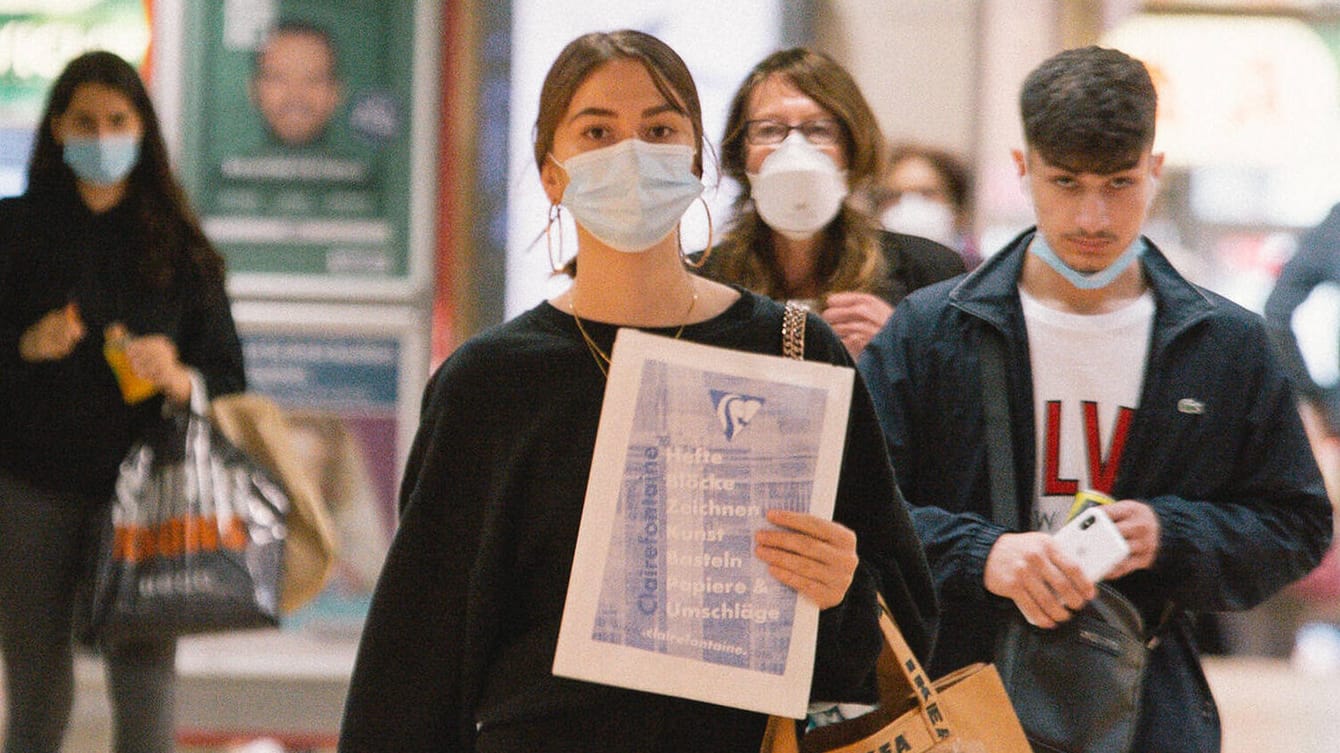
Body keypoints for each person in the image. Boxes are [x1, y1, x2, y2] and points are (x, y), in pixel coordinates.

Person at [338, 30, 936, 753]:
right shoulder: (488, 383)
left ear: (695, 161)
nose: (630, 154)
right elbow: (416, 655)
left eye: (658, 129)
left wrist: (841, 587)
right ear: (552, 172)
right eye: (597, 130)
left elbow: (903, 621)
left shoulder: (794, 352)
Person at [858, 45, 1332, 752]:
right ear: (1024, 171)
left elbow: (1295, 526)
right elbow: (859, 509)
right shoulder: (932, 330)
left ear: (1155, 171)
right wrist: (986, 554)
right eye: (1065, 181)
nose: (1091, 215)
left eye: (1118, 182)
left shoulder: (1227, 342)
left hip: (1146, 704)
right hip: (962, 703)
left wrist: (1170, 532)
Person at [0, 51, 245, 753]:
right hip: (30, 487)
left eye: (117, 120)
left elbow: (228, 374)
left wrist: (178, 375)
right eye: (85, 122)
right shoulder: (13, 231)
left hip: (147, 496)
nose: (102, 137)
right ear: (56, 129)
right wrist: (25, 344)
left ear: (143, 130)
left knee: (145, 692)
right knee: (35, 692)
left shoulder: (179, 245)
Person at [696, 48, 963, 358]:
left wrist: (901, 347)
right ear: (739, 153)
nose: (794, 149)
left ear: (852, 149)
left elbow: (961, 400)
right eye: (769, 130)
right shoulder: (702, 283)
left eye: (819, 130)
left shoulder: (929, 275)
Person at [872, 141, 982, 270]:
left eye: (927, 193)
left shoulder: (985, 278)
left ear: (959, 210)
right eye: (894, 195)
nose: (910, 206)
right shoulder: (865, 278)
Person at [250, 19, 344, 148]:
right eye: (279, 78)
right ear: (254, 90)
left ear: (336, 92)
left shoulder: (366, 165)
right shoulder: (226, 163)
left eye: (313, 79)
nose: (296, 95)